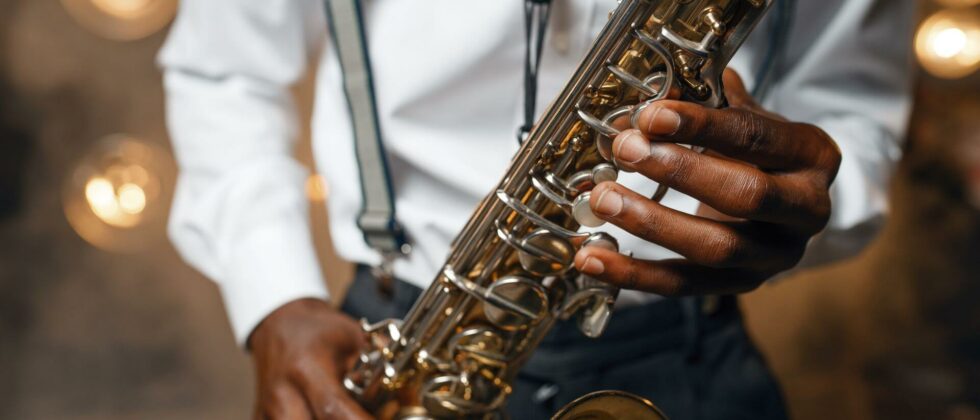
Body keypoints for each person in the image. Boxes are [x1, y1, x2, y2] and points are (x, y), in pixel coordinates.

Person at [158, 0, 914, 418]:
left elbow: (851, 110)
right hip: (401, 349)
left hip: (690, 352)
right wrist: (274, 298)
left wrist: (813, 199)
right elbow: (223, 71)